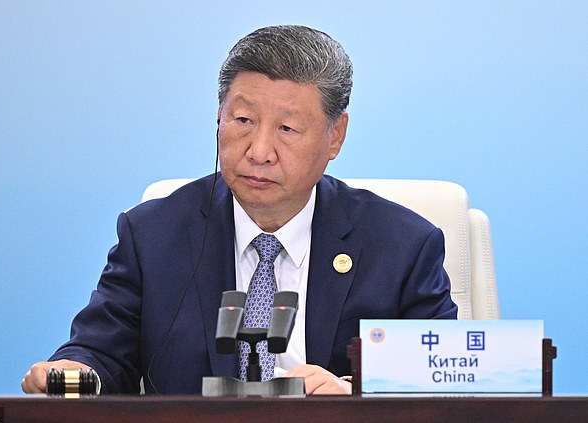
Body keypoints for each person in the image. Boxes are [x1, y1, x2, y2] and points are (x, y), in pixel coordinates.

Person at [22, 25, 457, 396]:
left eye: (287, 128)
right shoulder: (152, 235)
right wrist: (73, 373)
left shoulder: (402, 246)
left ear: (335, 136)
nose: (259, 151)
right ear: (219, 117)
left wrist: (351, 391)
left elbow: (446, 375)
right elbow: (99, 353)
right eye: (243, 121)